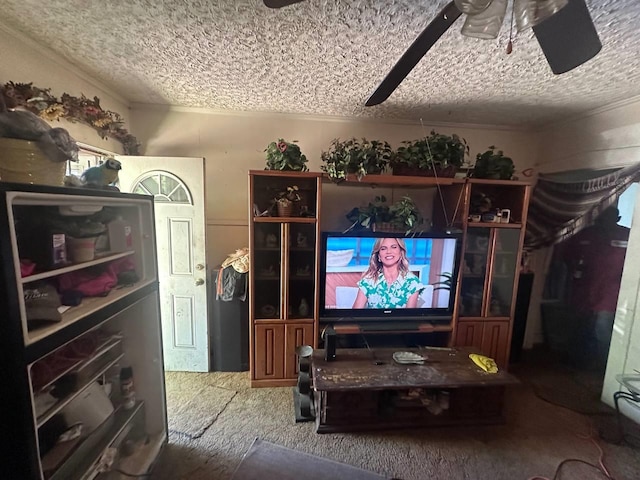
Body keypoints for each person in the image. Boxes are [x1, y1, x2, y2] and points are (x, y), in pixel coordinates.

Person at [565, 206, 630, 370]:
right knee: (580, 327)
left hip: (611, 294)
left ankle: (607, 368)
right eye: (602, 218)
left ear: (618, 218)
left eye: (609, 218)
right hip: (584, 291)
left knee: (603, 329)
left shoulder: (628, 235)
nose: (604, 222)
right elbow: (569, 257)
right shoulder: (586, 234)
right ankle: (579, 363)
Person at [352, 237, 424, 309]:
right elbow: (354, 315)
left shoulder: (413, 282)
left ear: (400, 252)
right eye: (383, 248)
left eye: (393, 247)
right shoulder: (368, 281)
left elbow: (410, 318)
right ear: (379, 256)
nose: (388, 252)